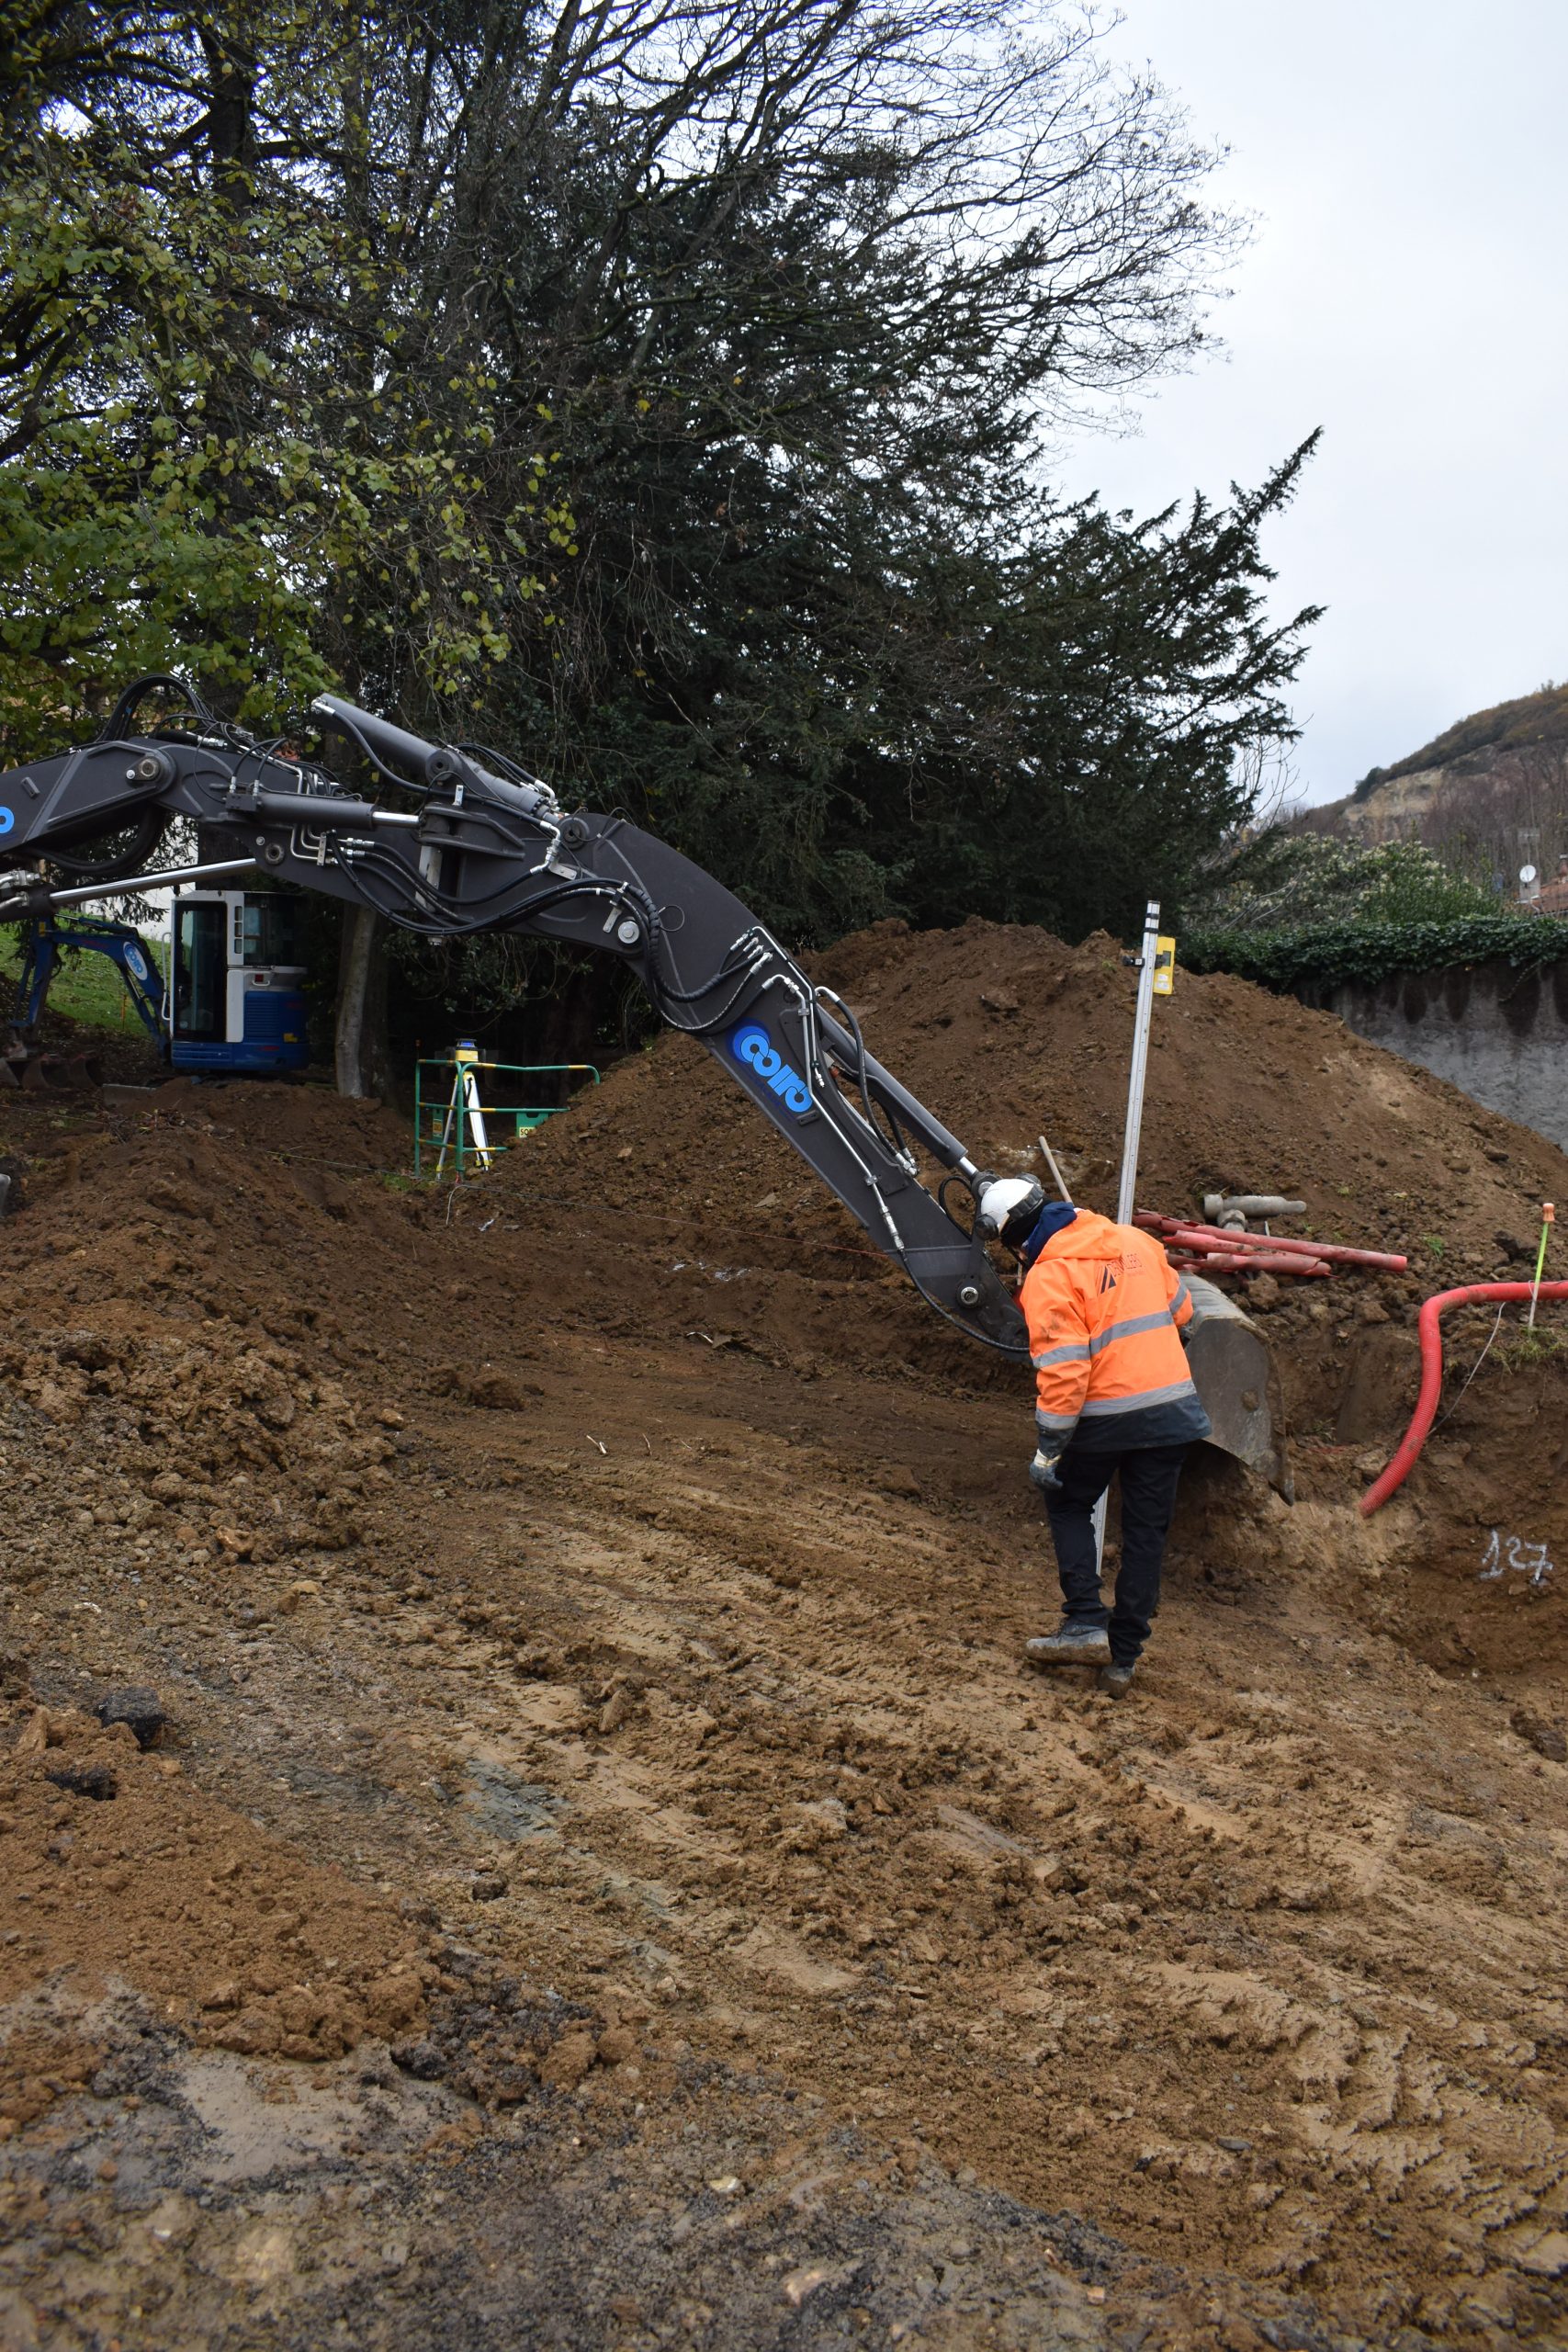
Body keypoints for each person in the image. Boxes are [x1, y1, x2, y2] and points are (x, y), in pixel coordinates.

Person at [977, 1178, 1211, 1698]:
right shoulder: (1134, 1242)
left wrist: (1049, 1450)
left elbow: (1064, 1373)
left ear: (1017, 1238)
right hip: (1172, 1415)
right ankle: (1123, 1659)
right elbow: (1185, 1315)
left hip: (1106, 1419)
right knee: (1146, 1534)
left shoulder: (1047, 1276)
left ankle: (1085, 1620)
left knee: (1065, 1499)